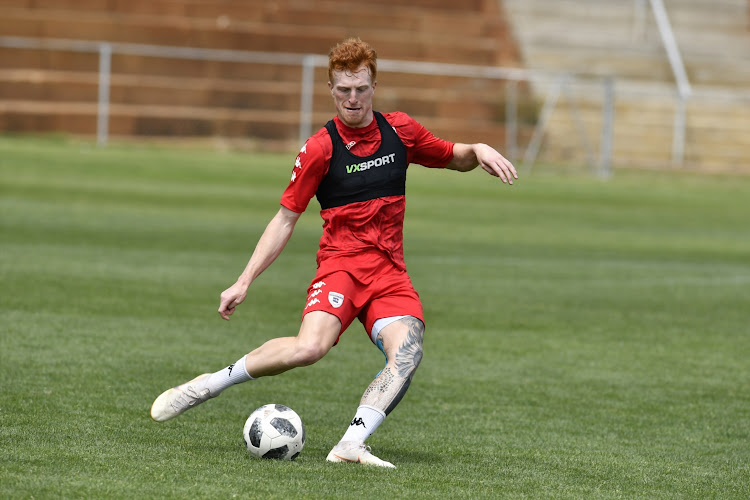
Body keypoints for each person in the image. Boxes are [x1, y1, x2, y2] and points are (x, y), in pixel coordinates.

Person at [150, 37, 517, 468]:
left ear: (374, 85)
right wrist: (244, 279)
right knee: (309, 349)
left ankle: (350, 445)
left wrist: (478, 149)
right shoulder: (320, 149)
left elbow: (454, 156)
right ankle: (207, 385)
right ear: (331, 89)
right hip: (341, 267)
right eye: (343, 90)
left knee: (408, 350)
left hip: (389, 273)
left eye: (361, 88)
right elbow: (285, 218)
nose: (353, 99)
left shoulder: (400, 131)